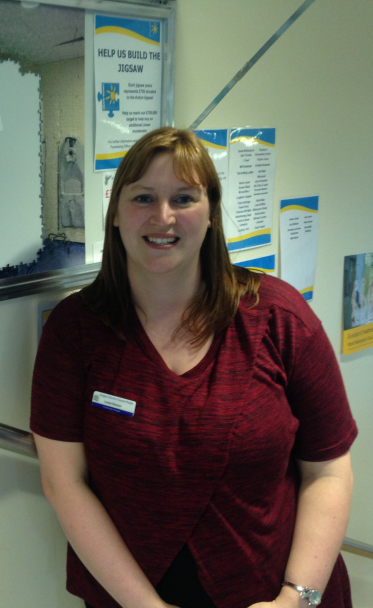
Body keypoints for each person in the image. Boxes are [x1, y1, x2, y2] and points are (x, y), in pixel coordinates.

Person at [31, 127, 356, 608]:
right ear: (116, 215)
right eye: (143, 197)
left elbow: (328, 470)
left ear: (210, 215)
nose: (163, 217)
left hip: (278, 594)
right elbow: (64, 482)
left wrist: (297, 599)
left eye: (183, 198)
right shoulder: (75, 331)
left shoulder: (278, 316)